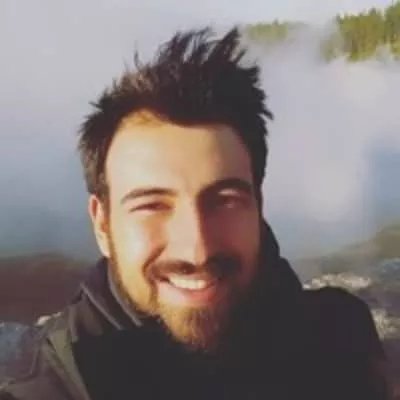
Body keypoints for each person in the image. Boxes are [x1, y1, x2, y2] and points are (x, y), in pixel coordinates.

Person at [0, 27, 392, 400]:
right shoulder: (56, 388)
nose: (197, 249)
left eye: (224, 200)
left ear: (258, 204)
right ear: (102, 224)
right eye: (152, 205)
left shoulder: (341, 339)